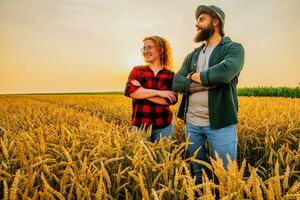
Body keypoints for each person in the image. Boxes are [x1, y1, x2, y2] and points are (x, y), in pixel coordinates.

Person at [172, 5, 245, 184]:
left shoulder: (233, 48)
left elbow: (225, 73)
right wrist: (207, 83)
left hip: (221, 124)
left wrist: (193, 76)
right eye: (197, 20)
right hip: (192, 124)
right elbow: (176, 82)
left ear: (215, 21)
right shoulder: (193, 56)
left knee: (227, 176)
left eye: (201, 19)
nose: (197, 24)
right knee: (199, 173)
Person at [124, 36, 178, 142]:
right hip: (140, 127)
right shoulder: (137, 70)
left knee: (163, 158)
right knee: (139, 158)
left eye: (149, 47)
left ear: (160, 50)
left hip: (164, 127)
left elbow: (171, 99)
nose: (146, 51)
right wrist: (160, 93)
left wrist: (141, 91)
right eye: (144, 48)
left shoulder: (170, 75)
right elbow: (131, 92)